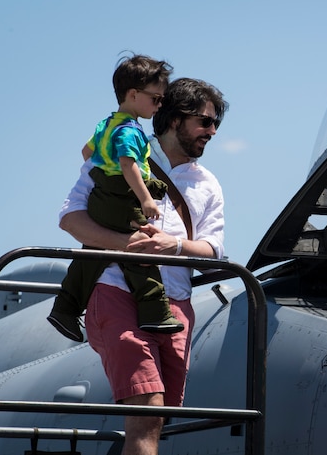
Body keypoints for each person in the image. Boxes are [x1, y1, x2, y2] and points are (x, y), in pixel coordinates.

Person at [58, 77, 228, 455]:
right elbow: (70, 219)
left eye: (217, 124)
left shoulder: (208, 184)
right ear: (173, 120)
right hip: (117, 291)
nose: (212, 131)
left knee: (159, 416)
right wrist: (129, 246)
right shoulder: (120, 149)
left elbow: (213, 249)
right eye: (204, 121)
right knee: (147, 409)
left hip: (176, 306)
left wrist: (175, 245)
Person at [47, 54, 184, 343]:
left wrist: (102, 175)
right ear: (134, 95)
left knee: (91, 256)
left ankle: (65, 309)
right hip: (122, 198)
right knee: (141, 254)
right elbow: (128, 164)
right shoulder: (130, 130)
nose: (159, 105)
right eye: (156, 99)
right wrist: (145, 198)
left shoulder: (106, 124)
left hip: (102, 196)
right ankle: (156, 314)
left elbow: (87, 153)